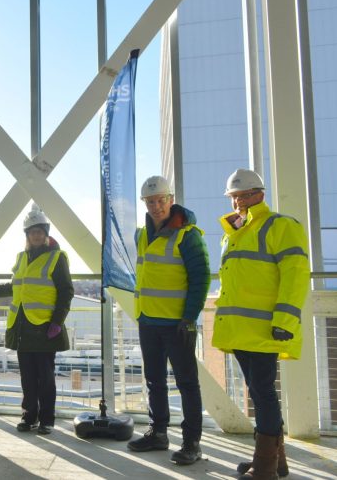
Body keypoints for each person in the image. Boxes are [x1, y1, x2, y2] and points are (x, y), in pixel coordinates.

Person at [212, 169, 310, 479]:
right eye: (235, 196)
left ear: (261, 195)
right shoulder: (233, 232)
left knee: (263, 391)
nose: (239, 201)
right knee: (257, 390)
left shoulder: (280, 225)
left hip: (266, 327)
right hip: (241, 329)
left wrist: (285, 318)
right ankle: (274, 461)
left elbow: (295, 274)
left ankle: (265, 466)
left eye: (245, 195)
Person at [127, 175, 210, 465]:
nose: (156, 206)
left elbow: (201, 279)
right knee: (154, 380)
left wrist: (189, 318)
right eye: (151, 202)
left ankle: (192, 443)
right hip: (148, 320)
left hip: (177, 323)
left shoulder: (188, 235)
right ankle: (158, 432)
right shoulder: (141, 235)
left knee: (187, 383)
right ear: (145, 204)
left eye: (161, 200)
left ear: (170, 200)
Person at [0, 205, 74, 435]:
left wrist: (57, 321)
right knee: (27, 376)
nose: (35, 235)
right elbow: (15, 286)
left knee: (45, 377)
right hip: (23, 325)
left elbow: (66, 291)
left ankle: (47, 419)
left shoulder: (56, 258)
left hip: (45, 326)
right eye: (31, 232)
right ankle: (29, 416)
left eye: (39, 231)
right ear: (27, 235)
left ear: (46, 234)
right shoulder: (21, 258)